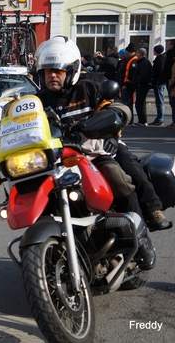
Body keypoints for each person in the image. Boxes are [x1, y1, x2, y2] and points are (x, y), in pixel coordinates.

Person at [34, 36, 161, 270]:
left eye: (59, 71)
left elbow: (118, 107)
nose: (52, 76)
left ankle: (143, 231)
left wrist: (113, 125)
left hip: (97, 149)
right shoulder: (37, 101)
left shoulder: (89, 86)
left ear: (71, 71)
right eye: (48, 71)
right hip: (59, 159)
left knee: (118, 173)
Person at [131, 48, 153, 126]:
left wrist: (137, 82)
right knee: (140, 102)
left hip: (142, 85)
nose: (136, 55)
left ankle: (142, 121)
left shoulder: (144, 63)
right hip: (141, 84)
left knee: (140, 102)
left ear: (140, 54)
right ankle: (142, 120)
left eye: (137, 53)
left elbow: (143, 75)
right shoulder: (141, 62)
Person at [116, 43, 137, 119]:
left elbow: (131, 74)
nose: (125, 54)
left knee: (128, 103)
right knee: (125, 102)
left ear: (130, 52)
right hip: (123, 83)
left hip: (127, 85)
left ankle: (129, 118)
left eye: (126, 53)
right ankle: (127, 117)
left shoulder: (133, 61)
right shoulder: (127, 60)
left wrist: (126, 84)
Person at [150, 45, 167, 126]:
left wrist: (156, 82)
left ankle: (160, 119)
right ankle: (159, 118)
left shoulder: (160, 59)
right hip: (160, 82)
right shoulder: (162, 58)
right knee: (159, 101)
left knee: (160, 101)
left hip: (159, 83)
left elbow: (159, 71)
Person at [162, 40, 175, 128]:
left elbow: (173, 74)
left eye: (169, 44)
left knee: (173, 103)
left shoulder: (170, 57)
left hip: (172, 83)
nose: (167, 46)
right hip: (170, 81)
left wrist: (170, 83)